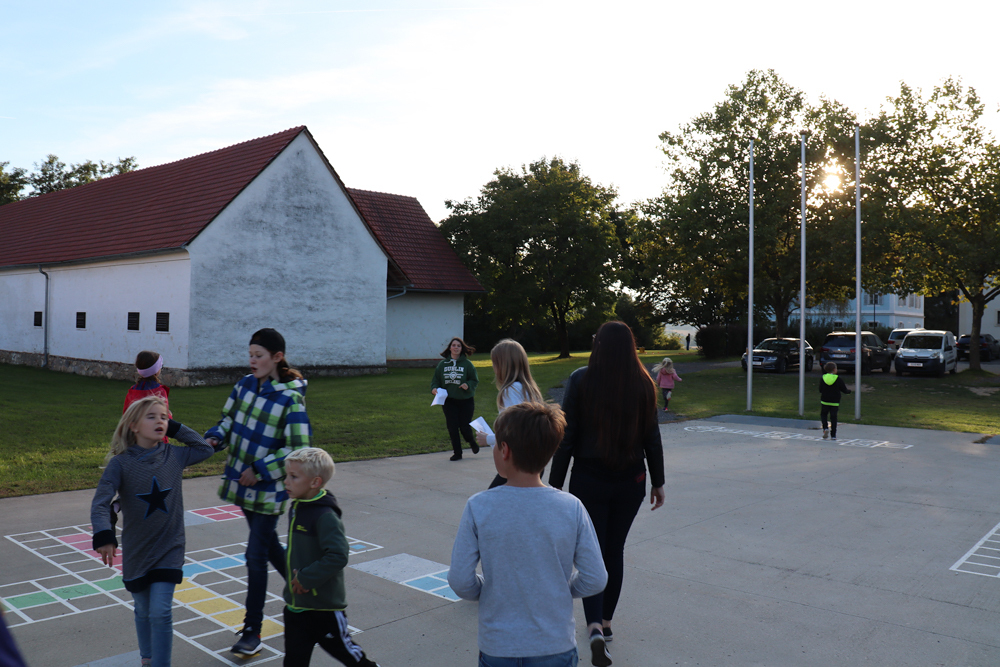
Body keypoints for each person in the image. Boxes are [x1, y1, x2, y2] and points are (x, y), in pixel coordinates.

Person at [449, 402, 607, 667]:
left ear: (504, 450)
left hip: (498, 645)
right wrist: (560, 587)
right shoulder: (571, 507)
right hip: (555, 644)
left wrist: (488, 590)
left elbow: (460, 581)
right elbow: (595, 578)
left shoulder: (479, 506)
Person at [549, 321, 665, 667]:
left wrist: (553, 486)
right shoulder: (644, 383)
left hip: (589, 479)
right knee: (614, 551)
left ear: (598, 344)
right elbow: (652, 437)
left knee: (591, 553)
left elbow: (567, 437)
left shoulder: (581, 379)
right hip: (631, 480)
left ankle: (594, 627)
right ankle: (607, 622)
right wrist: (658, 481)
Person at [91, 395, 221, 667]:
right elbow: (101, 502)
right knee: (143, 609)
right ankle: (147, 658)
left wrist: (173, 426)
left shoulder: (175, 455)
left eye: (164, 417)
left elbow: (204, 449)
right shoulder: (120, 464)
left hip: (169, 547)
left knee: (160, 612)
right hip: (137, 550)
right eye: (151, 417)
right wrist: (104, 534)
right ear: (133, 425)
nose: (160, 421)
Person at [205, 328, 312, 658]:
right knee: (268, 546)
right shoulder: (244, 385)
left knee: (255, 556)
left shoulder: (290, 398)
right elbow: (228, 421)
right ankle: (306, 590)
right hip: (243, 484)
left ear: (277, 357)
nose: (252, 361)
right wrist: (214, 438)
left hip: (269, 490)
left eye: (259, 355)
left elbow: (298, 449)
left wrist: (261, 469)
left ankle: (252, 631)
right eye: (250, 354)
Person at [281, 448, 380, 667]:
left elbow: (338, 556)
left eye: (293, 476)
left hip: (322, 609)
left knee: (350, 655)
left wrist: (305, 578)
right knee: (294, 661)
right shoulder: (298, 507)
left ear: (315, 482)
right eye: (286, 475)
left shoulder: (325, 515)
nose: (286, 481)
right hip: (296, 606)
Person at [474, 338, 544, 488]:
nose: (493, 367)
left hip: (519, 463)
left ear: (503, 365)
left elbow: (516, 432)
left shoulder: (510, 391)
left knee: (493, 499)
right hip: (534, 461)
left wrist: (489, 439)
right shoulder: (530, 390)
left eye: (494, 363)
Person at [430, 336, 480, 461]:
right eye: (454, 345)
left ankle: (472, 442)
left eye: (458, 346)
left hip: (466, 400)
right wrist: (434, 388)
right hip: (449, 401)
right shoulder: (442, 365)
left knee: (464, 427)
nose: (456, 348)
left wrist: (468, 385)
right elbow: (436, 380)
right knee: (452, 427)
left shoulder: (467, 365)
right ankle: (457, 453)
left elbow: (474, 380)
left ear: (462, 348)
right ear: (450, 348)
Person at [820, 362, 852, 440]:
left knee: (824, 414)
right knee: (833, 417)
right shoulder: (838, 379)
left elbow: (820, 389)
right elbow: (844, 389)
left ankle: (825, 428)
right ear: (834, 369)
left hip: (825, 400)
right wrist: (849, 391)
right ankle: (833, 435)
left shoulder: (823, 378)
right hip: (834, 401)